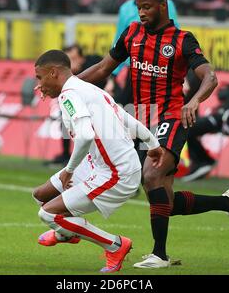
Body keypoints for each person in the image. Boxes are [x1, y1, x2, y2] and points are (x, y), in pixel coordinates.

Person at [77, 0, 229, 268]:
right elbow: (102, 68)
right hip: (141, 116)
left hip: (171, 116)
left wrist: (194, 101)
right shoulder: (132, 33)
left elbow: (209, 76)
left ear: (163, 6)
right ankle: (227, 204)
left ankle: (160, 254)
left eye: (147, 7)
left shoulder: (182, 39)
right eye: (139, 8)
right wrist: (67, 86)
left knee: (151, 173)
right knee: (164, 202)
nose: (142, 13)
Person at [33, 49, 164, 273]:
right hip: (97, 164)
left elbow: (85, 135)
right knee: (41, 196)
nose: (38, 85)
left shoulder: (69, 95)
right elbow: (125, 117)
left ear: (53, 73)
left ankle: (115, 245)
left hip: (116, 173)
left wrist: (69, 170)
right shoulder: (88, 89)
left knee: (48, 213)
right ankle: (67, 232)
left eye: (40, 77)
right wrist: (152, 143)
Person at [183, 46, 229, 182]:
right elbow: (224, 92)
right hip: (222, 115)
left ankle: (204, 161)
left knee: (190, 128)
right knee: (189, 126)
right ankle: (201, 162)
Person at [112, 0, 179, 104]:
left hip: (158, 70)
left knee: (150, 116)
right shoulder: (125, 9)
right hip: (132, 71)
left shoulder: (167, 4)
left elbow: (175, 38)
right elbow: (118, 42)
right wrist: (113, 76)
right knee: (127, 113)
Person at [45, 44, 107, 165]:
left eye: (73, 59)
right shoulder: (66, 75)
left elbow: (107, 71)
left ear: (81, 58)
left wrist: (111, 82)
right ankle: (66, 154)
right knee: (64, 117)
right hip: (82, 104)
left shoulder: (92, 65)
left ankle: (90, 158)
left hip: (99, 105)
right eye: (68, 61)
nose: (71, 64)